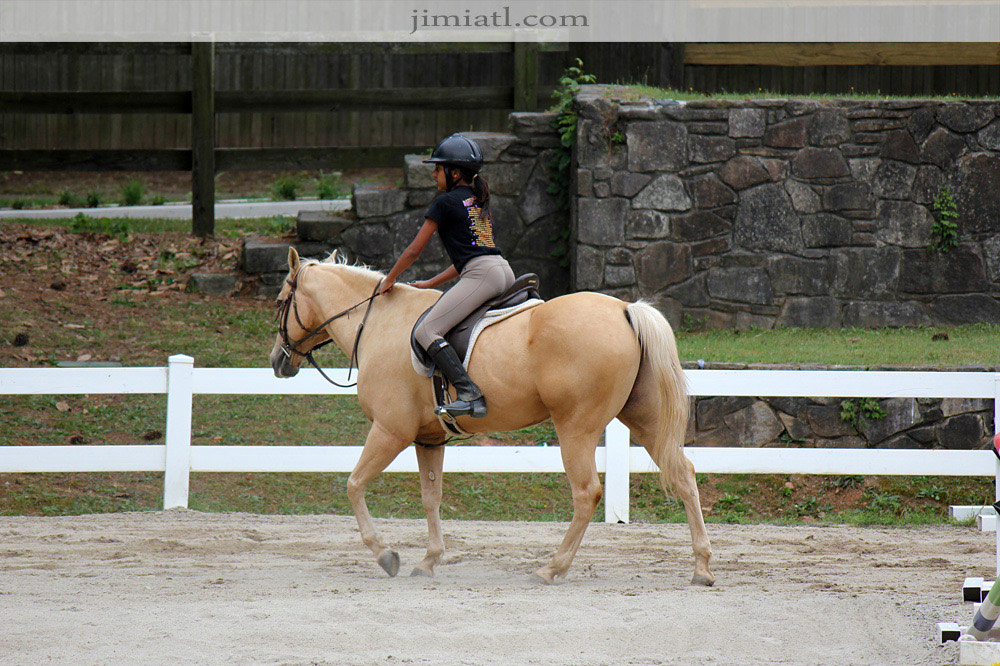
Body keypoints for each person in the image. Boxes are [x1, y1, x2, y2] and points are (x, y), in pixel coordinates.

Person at [378, 133, 514, 419]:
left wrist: (389, 279)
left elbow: (414, 250)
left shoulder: (445, 202)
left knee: (426, 331)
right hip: (503, 270)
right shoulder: (477, 199)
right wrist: (429, 284)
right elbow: (468, 257)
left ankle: (469, 393)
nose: (433, 174)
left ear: (454, 173)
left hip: (481, 275)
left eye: (437, 169)